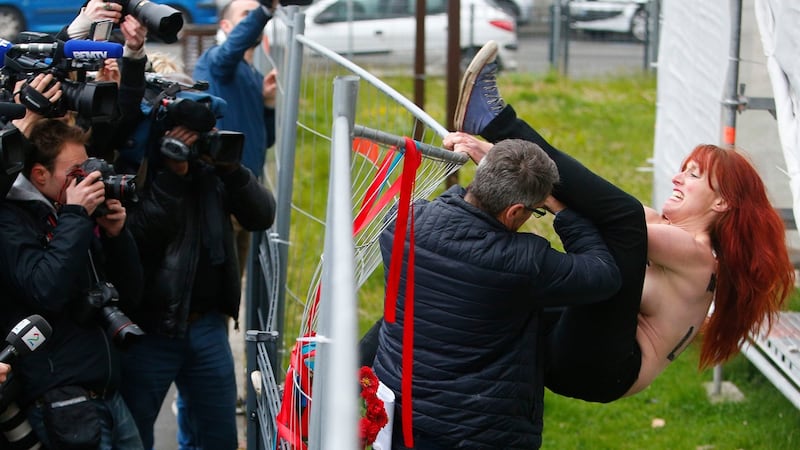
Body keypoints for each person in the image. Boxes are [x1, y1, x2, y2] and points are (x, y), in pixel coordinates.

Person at [450, 40, 795, 403]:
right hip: (568, 347)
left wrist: (517, 167)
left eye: (694, 176)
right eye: (682, 171)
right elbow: (589, 200)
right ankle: (497, 141)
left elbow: (605, 216)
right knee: (614, 220)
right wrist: (502, 162)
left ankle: (497, 122)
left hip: (602, 370)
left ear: (723, 201)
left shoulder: (697, 255)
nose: (678, 179)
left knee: (622, 217)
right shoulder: (657, 229)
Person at [372, 138, 623, 449]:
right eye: (536, 211)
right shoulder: (522, 263)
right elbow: (603, 273)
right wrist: (562, 211)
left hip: (396, 416)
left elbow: (446, 211)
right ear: (515, 211)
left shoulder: (401, 222)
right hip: (475, 433)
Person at [120, 122, 276, 449]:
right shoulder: (138, 167)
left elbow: (261, 215)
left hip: (206, 325)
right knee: (133, 437)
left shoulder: (213, 171)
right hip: (147, 329)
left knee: (218, 437)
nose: (192, 139)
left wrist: (231, 169)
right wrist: (172, 173)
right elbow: (138, 238)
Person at [0, 118, 144, 449]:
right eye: (77, 173)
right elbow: (45, 290)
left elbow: (131, 295)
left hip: (106, 390)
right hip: (61, 398)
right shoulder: (12, 221)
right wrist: (76, 216)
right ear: (39, 175)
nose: (89, 181)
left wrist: (116, 237)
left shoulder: (70, 215)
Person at [193, 0, 279, 278]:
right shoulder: (217, 61)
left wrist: (267, 104)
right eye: (247, 14)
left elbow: (264, 141)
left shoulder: (253, 74)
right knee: (216, 285)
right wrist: (265, 10)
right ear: (226, 27)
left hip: (245, 194)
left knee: (233, 284)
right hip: (220, 197)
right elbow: (230, 51)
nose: (254, 19)